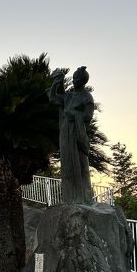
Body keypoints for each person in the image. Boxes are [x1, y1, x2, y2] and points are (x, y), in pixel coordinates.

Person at [49, 66, 94, 203]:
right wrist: (55, 84)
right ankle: (69, 197)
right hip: (65, 131)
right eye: (73, 78)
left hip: (77, 132)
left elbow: (88, 116)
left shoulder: (87, 97)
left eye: (77, 79)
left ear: (83, 81)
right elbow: (53, 99)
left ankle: (83, 197)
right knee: (67, 163)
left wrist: (74, 114)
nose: (74, 81)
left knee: (81, 165)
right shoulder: (70, 94)